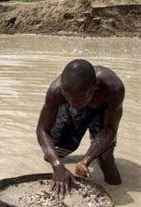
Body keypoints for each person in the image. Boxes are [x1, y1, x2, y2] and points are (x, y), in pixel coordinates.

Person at [36, 59, 124, 197]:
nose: (73, 103)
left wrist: (86, 160)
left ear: (95, 86)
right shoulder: (56, 91)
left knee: (107, 163)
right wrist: (58, 165)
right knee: (53, 154)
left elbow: (110, 129)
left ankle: (116, 195)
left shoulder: (113, 88)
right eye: (67, 97)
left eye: (79, 99)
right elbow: (42, 129)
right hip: (71, 113)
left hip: (102, 112)